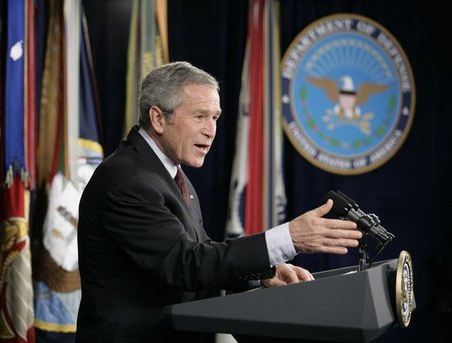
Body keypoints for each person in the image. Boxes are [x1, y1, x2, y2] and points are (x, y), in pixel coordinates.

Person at [75, 61, 362, 343]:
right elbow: (187, 264)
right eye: (199, 116)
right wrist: (289, 239)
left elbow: (200, 250)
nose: (211, 130)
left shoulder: (166, 172)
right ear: (158, 118)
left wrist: (265, 273)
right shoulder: (128, 180)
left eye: (215, 117)